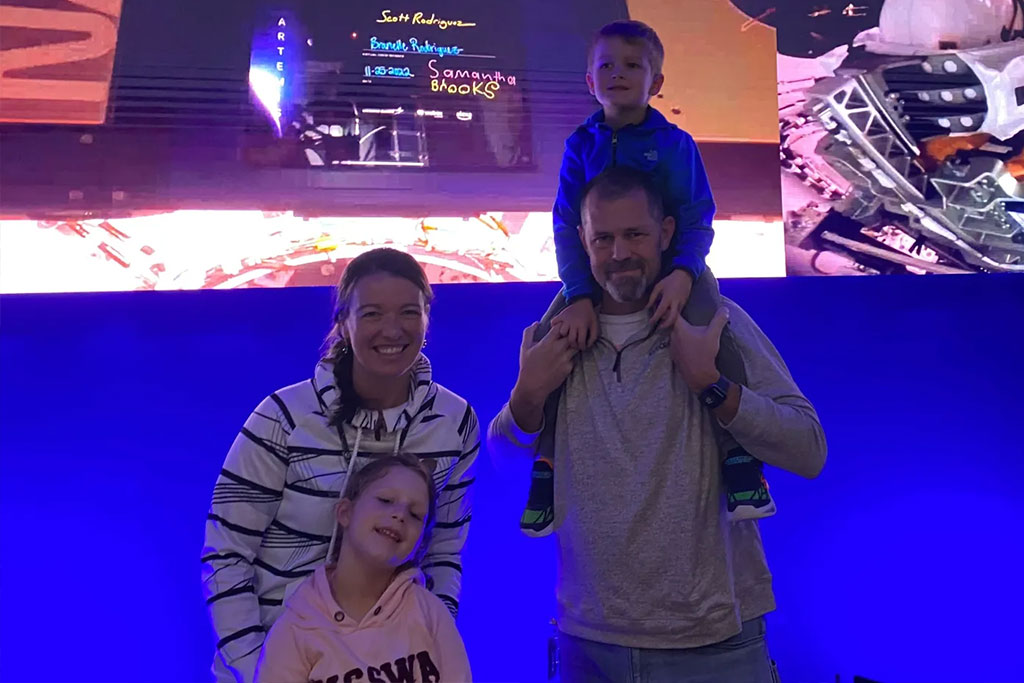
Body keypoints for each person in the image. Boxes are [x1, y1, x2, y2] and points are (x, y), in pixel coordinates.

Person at [488, 167, 827, 682]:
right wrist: (527, 394)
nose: (619, 253)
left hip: (716, 644)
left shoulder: (718, 324)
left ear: (667, 233)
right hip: (588, 645)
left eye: (635, 235)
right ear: (582, 241)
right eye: (604, 237)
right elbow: (506, 464)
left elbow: (809, 449)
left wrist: (712, 384)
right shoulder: (552, 338)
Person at [520, 19, 774, 537]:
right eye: (606, 65)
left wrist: (683, 274)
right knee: (551, 345)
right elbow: (567, 225)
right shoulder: (578, 145)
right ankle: (545, 472)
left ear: (655, 83)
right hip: (588, 283)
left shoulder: (675, 144)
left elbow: (698, 215)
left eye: (633, 65)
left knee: (713, 335)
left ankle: (740, 459)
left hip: (681, 273)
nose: (618, 74)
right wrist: (581, 295)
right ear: (589, 81)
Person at [201, 248, 479, 683]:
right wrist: (261, 668)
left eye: (409, 311)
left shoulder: (454, 422)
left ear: (427, 320)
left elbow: (443, 553)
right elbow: (226, 553)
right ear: (343, 323)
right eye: (371, 313)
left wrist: (432, 645)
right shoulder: (282, 417)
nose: (392, 329)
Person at [254, 454, 472, 683]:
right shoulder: (295, 630)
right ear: (345, 512)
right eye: (386, 500)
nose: (399, 515)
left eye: (415, 514)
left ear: (421, 543)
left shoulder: (431, 613)